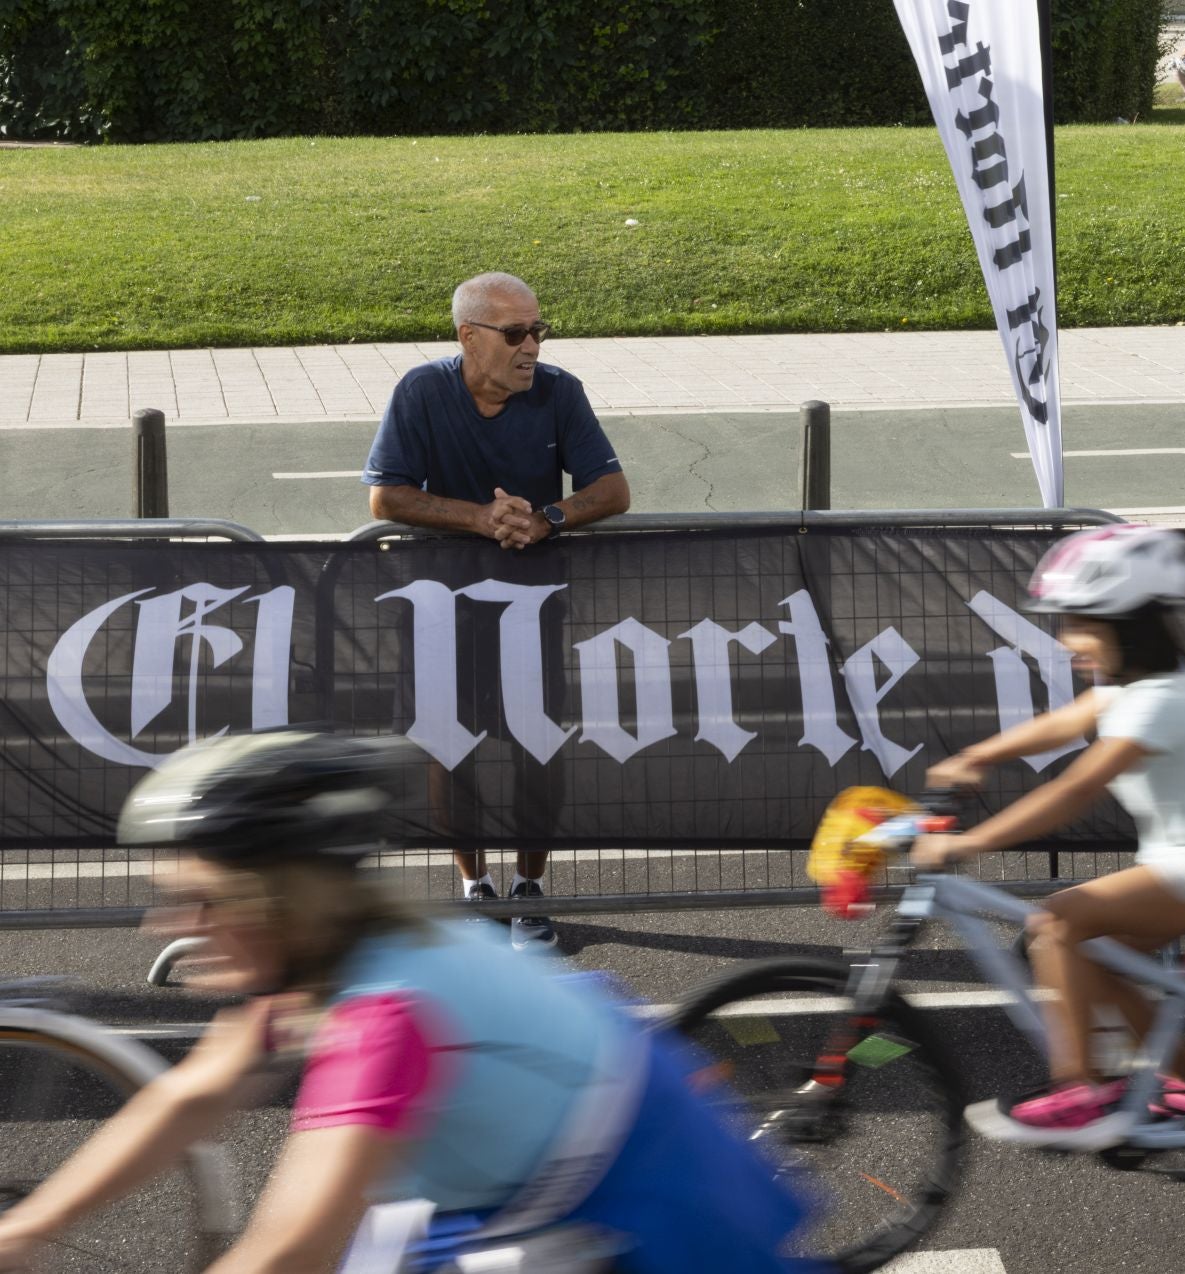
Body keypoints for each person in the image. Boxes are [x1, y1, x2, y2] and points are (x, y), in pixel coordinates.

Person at [0, 731, 808, 1273]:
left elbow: (289, 1252)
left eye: (199, 901)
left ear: (279, 901)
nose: (166, 926)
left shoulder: (382, 1015)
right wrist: (26, 1227)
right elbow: (187, 1097)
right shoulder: (323, 958)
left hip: (646, 1202)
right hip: (551, 1166)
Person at [910, 527, 1185, 1143]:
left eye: (1080, 626)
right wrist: (975, 756)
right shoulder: (1136, 688)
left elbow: (1075, 790)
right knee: (1096, 955)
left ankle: (1082, 1090)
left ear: (1128, 626)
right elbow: (1066, 721)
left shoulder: (1161, 700)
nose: (1068, 643)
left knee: (1058, 923)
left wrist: (965, 845)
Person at [363, 272, 632, 950]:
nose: (531, 346)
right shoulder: (422, 391)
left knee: (538, 743)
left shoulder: (559, 392)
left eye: (539, 330)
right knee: (447, 747)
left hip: (531, 601)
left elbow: (612, 488)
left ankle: (531, 885)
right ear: (469, 338)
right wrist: (481, 519)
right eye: (515, 333)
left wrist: (547, 516)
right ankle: (474, 886)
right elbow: (386, 498)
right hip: (439, 603)